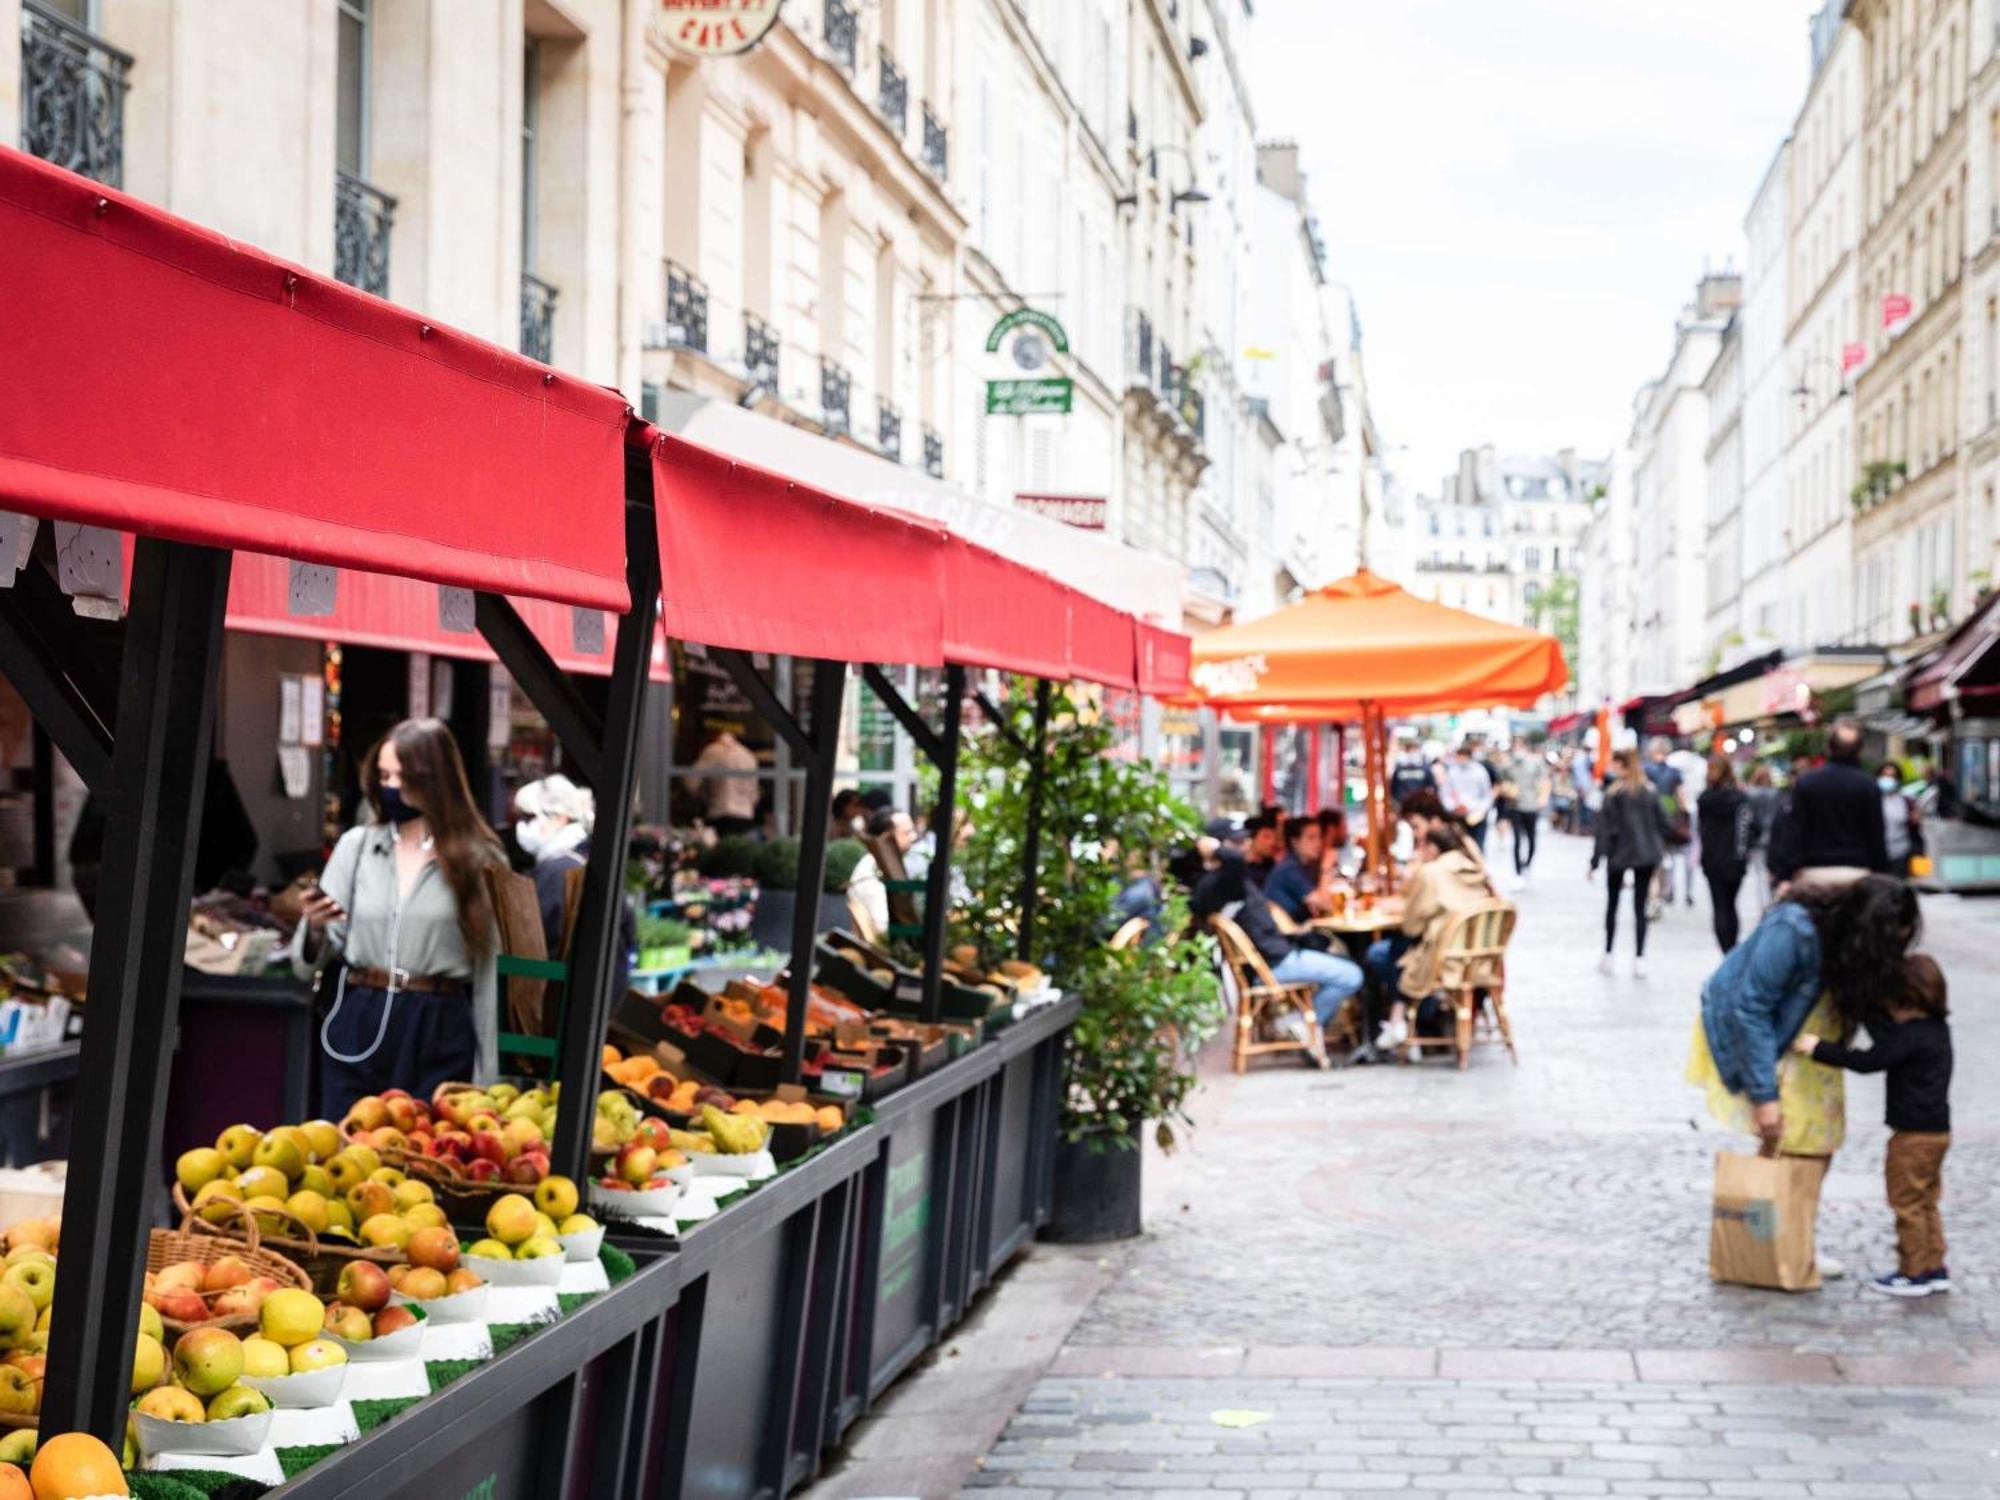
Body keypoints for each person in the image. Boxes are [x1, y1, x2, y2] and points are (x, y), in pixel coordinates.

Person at [1688, 875, 1921, 1282]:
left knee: (1820, 1141)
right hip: (1765, 1039)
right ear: (1863, 926)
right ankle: (1770, 1242)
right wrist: (1764, 1095)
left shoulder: (1849, 946)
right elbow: (1750, 1008)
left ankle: (1793, 1238)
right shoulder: (1794, 928)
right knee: (1786, 1137)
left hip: (1811, 1043)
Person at [301, 718, 506, 1118]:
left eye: (401, 776)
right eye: (382, 775)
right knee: (346, 1146)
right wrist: (313, 928)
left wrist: (493, 1084)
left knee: (425, 1155)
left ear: (433, 779)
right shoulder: (357, 847)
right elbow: (323, 951)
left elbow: (491, 972)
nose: (389, 787)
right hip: (362, 1010)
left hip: (438, 1020)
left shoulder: (479, 859)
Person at [1793, 952, 1952, 1298]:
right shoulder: (1935, 1031)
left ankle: (1912, 1273)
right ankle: (1934, 1266)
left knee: (1906, 1203)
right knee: (1926, 1201)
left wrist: (1819, 1048)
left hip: (1911, 1137)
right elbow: (1885, 1037)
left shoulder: (1910, 1036)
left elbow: (1868, 1061)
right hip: (1938, 1133)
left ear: (1905, 998)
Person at [1196, 850, 1362, 1042]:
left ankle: (1308, 1023)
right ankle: (1304, 1023)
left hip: (1268, 961)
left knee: (1342, 961)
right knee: (1351, 974)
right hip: (1273, 964)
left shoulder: (1219, 888)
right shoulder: (1230, 884)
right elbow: (1236, 861)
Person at [1371, 821, 1495, 1051]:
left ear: (1433, 848)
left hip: (1443, 960)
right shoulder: (1474, 868)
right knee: (1400, 949)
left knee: (1384, 953)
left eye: (1422, 846)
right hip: (1481, 958)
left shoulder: (1432, 873)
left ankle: (1408, 1022)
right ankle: (1406, 1021)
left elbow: (1411, 926)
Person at [1767, 721, 1890, 890]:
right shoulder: (1868, 785)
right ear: (1859, 750)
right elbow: (1876, 833)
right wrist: (1881, 873)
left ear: (1829, 747)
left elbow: (1796, 831)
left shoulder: (1807, 782)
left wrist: (1785, 875)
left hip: (1813, 875)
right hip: (1857, 874)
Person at [1590, 748, 1669, 976]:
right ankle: (1639, 957)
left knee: (1613, 905)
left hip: (1619, 855)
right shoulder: (1649, 791)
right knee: (1639, 907)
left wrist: (1596, 860)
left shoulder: (1614, 793)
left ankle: (1608, 953)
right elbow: (1663, 823)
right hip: (1645, 855)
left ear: (1622, 765)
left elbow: (1604, 830)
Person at [1695, 755, 1752, 952]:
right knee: (1731, 905)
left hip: (1713, 859)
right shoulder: (1741, 799)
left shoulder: (1705, 799)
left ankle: (1726, 952)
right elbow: (1752, 827)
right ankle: (1733, 949)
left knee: (1719, 906)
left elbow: (1701, 829)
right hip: (1736, 858)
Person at [687, 724, 759, 837]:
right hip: (744, 814)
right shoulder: (748, 755)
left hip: (720, 811)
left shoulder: (712, 751)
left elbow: (691, 782)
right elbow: (754, 794)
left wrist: (701, 796)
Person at [1263, 818, 1332, 923]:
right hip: (1286, 936)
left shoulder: (1301, 866)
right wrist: (1327, 868)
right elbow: (1326, 904)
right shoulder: (1289, 869)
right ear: (1295, 841)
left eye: (1319, 837)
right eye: (1311, 838)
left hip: (1296, 932)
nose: (1318, 843)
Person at [1504, 739, 1550, 883]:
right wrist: (1508, 792)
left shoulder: (1535, 763)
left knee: (1531, 839)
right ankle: (1517, 872)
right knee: (1517, 840)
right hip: (1516, 807)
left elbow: (1544, 781)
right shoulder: (1508, 765)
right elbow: (1503, 783)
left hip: (1531, 806)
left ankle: (1528, 863)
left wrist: (1543, 798)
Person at [1440, 740, 1495, 850]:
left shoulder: (1480, 772)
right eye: (1460, 756)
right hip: (1458, 815)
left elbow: (1487, 795)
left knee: (1477, 847)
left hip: (1476, 815)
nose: (1461, 759)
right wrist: (1452, 807)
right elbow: (1445, 793)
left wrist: (1481, 810)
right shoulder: (1452, 772)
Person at [1744, 763, 1779, 910]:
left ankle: (1763, 905)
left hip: (1757, 838)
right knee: (1771, 872)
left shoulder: (1750, 794)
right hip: (1773, 837)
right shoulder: (1776, 794)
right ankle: (1771, 901)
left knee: (1759, 873)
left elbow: (1747, 818)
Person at [1878, 761, 1922, 878]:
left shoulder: (1906, 800)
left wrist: (1915, 819)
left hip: (1900, 854)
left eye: (1892, 776)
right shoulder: (1871, 798)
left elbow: (1914, 825)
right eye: (1885, 775)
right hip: (1876, 855)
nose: (1888, 780)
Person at [1243, 813, 1282, 889]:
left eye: (1275, 837)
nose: (1272, 842)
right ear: (1251, 838)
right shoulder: (1241, 870)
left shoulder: (1275, 867)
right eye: (1266, 836)